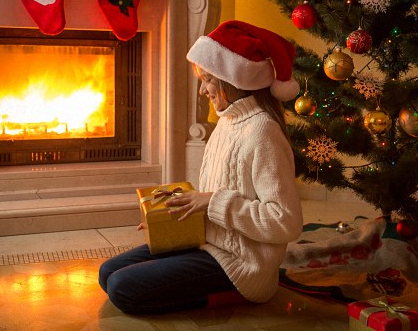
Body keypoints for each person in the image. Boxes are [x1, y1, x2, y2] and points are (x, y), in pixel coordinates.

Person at [98, 20, 304, 314]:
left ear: (234, 79)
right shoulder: (227, 121)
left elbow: (286, 222)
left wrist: (213, 202)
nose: (203, 90)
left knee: (123, 288)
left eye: (208, 80)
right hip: (206, 243)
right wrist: (166, 216)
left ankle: (227, 296)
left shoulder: (263, 132)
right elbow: (212, 196)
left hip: (239, 263)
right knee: (108, 273)